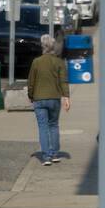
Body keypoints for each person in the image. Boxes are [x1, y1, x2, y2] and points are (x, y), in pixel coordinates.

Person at [27, 34, 70, 165]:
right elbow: (63, 81)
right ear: (53, 47)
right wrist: (66, 97)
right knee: (54, 125)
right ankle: (55, 154)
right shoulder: (59, 62)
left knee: (43, 127)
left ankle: (46, 156)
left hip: (39, 98)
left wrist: (30, 95)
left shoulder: (36, 62)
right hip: (54, 98)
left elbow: (31, 81)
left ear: (42, 46)